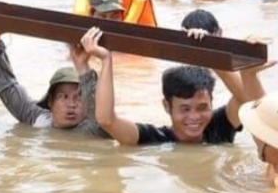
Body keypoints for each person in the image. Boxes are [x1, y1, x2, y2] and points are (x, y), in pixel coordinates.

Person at [80, 25, 267, 145]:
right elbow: (106, 120)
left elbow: (249, 101)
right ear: (166, 106)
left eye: (202, 107)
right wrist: (105, 59)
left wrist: (211, 54)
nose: (194, 117)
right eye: (184, 109)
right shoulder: (153, 139)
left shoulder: (219, 128)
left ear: (212, 101)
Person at [0, 29, 102, 133]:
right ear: (50, 101)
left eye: (78, 97)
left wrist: (83, 66)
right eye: (63, 97)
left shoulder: (92, 130)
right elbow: (6, 86)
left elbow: (102, 119)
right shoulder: (39, 119)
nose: (71, 105)